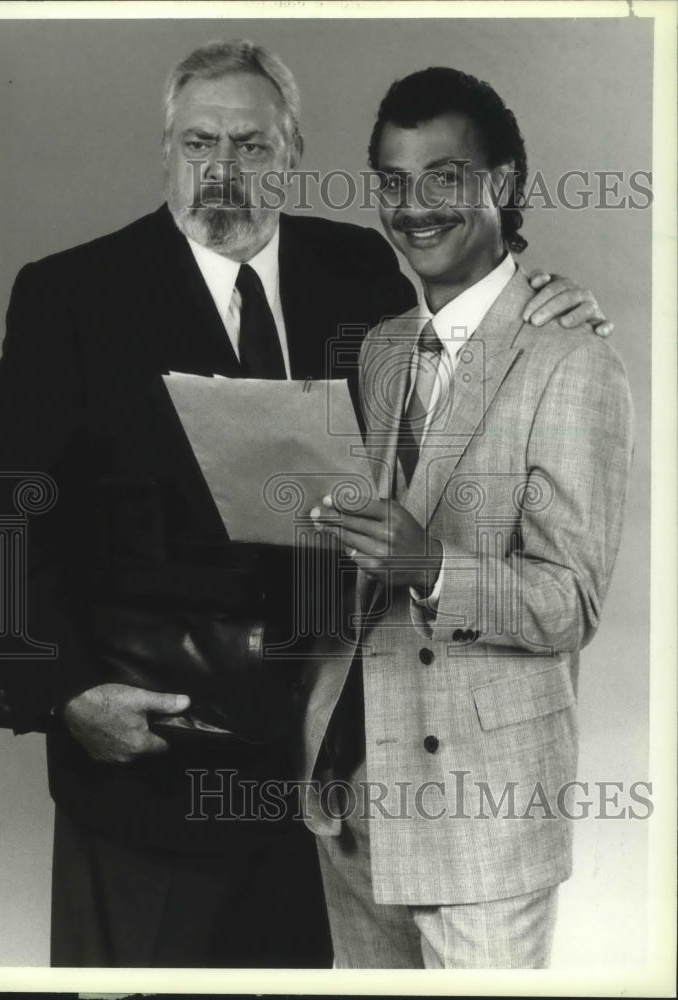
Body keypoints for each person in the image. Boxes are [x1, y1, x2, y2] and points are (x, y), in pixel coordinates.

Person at [0, 41, 613, 969]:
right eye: (198, 144)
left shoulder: (361, 273)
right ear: (166, 150)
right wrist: (64, 693)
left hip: (322, 771)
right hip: (150, 758)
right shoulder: (72, 293)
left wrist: (553, 298)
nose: (222, 172)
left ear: (295, 151)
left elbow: (472, 328)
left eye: (252, 147)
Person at [307, 66, 634, 969]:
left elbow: (569, 604)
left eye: (444, 177)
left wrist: (435, 567)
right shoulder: (376, 349)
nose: (414, 208)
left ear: (507, 183)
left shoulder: (572, 359)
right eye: (392, 182)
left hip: (483, 811)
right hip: (351, 791)